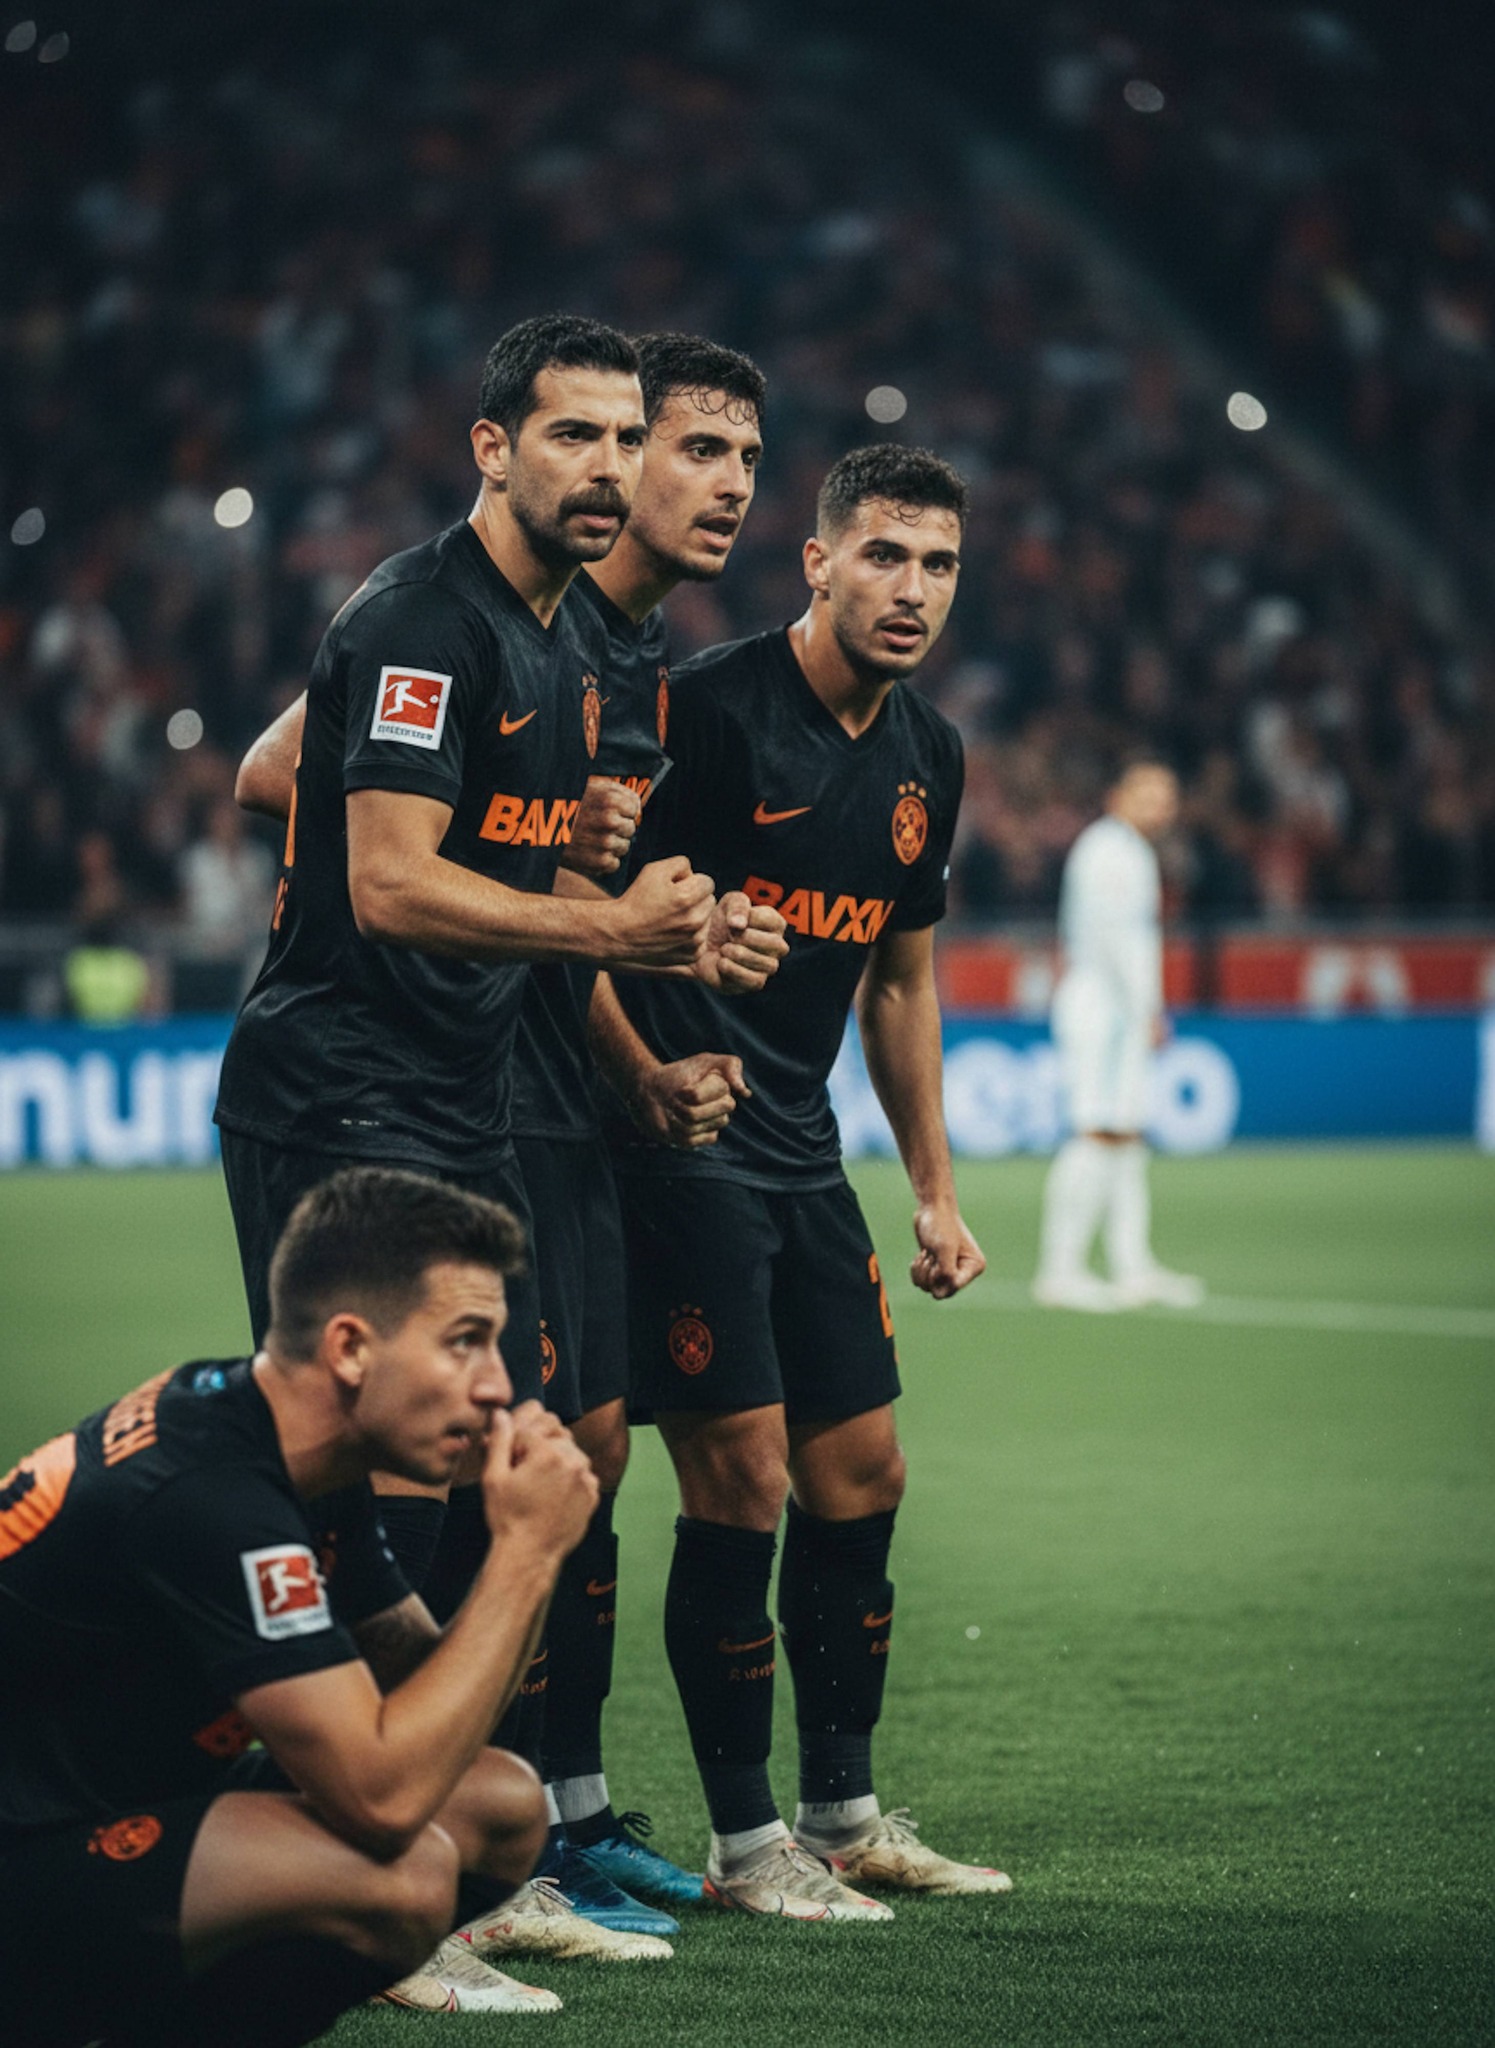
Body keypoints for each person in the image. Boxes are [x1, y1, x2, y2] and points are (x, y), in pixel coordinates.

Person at [228, 323, 785, 1959]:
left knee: (490, 1457)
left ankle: (480, 1854)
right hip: (340, 1092)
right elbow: (389, 877)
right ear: (494, 447)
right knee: (374, 1470)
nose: (611, 468)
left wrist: (625, 910)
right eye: (579, 436)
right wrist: (619, 930)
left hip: (453, 1094)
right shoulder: (420, 621)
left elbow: (514, 880)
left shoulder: (556, 646)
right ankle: (375, 1884)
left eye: (634, 437)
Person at [590, 443, 1011, 1919]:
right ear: (815, 562)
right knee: (743, 1474)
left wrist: (935, 1190)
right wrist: (651, 1045)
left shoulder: (928, 759)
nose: (910, 589)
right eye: (883, 555)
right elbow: (579, 907)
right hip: (671, 1140)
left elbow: (899, 983)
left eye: (938, 564)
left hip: (800, 1155)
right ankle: (742, 1843)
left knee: (862, 1473)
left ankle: (840, 1815)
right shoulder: (700, 714)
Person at [0, 1166, 602, 2041]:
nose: (496, 1387)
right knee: (396, 1879)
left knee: (500, 1804)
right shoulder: (212, 1495)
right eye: (464, 1341)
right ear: (351, 1347)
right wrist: (526, 1553)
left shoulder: (289, 1443)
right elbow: (382, 1801)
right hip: (28, 1841)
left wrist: (527, 1556)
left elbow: (424, 1695)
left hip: (94, 1802)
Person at [1033, 756, 1206, 1312]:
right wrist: (1145, 1010)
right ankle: (1060, 1271)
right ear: (1119, 795)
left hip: (1121, 1013)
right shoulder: (1107, 850)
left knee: (1126, 1136)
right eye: (1149, 793)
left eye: (1167, 795)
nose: (1161, 806)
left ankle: (1133, 1266)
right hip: (1102, 1011)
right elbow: (1111, 943)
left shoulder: (1131, 851)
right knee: (1096, 1131)